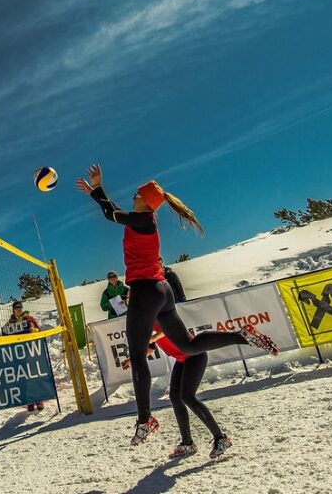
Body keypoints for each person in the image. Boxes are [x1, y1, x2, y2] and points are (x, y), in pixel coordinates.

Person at [76, 164, 278, 446]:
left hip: (145, 290)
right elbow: (114, 211)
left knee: (137, 356)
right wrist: (95, 192)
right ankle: (240, 335)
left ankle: (145, 420)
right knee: (187, 346)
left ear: (145, 201)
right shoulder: (143, 220)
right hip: (162, 290)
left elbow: (111, 213)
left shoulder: (143, 220)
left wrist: (97, 189)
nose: (132, 196)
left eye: (136, 194)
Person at [151, 325, 231, 459]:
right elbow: (149, 349)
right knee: (175, 397)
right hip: (182, 359)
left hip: (195, 355)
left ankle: (221, 438)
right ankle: (187, 444)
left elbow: (166, 329)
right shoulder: (144, 325)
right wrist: (132, 360)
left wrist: (152, 337)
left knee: (188, 396)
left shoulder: (155, 316)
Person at [4, 302, 46, 412]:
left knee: (34, 376)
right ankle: (29, 401)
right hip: (18, 354)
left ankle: (39, 400)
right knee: (23, 378)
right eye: (16, 307)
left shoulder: (29, 319)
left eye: (20, 307)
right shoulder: (10, 323)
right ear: (13, 310)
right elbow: (6, 337)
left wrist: (34, 330)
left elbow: (39, 331)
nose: (18, 309)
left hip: (30, 351)